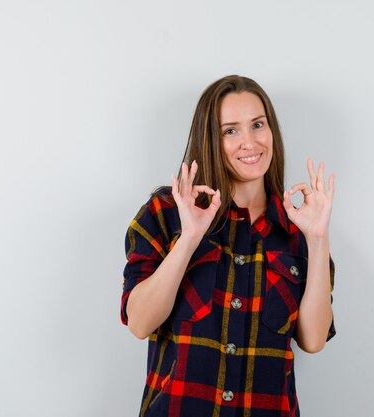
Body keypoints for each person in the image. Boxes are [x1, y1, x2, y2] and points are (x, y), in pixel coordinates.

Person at [120, 75, 336, 417]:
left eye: (257, 125)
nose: (249, 142)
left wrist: (319, 238)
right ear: (211, 139)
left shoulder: (298, 229)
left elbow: (313, 340)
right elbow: (139, 322)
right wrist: (190, 238)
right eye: (230, 130)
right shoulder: (166, 214)